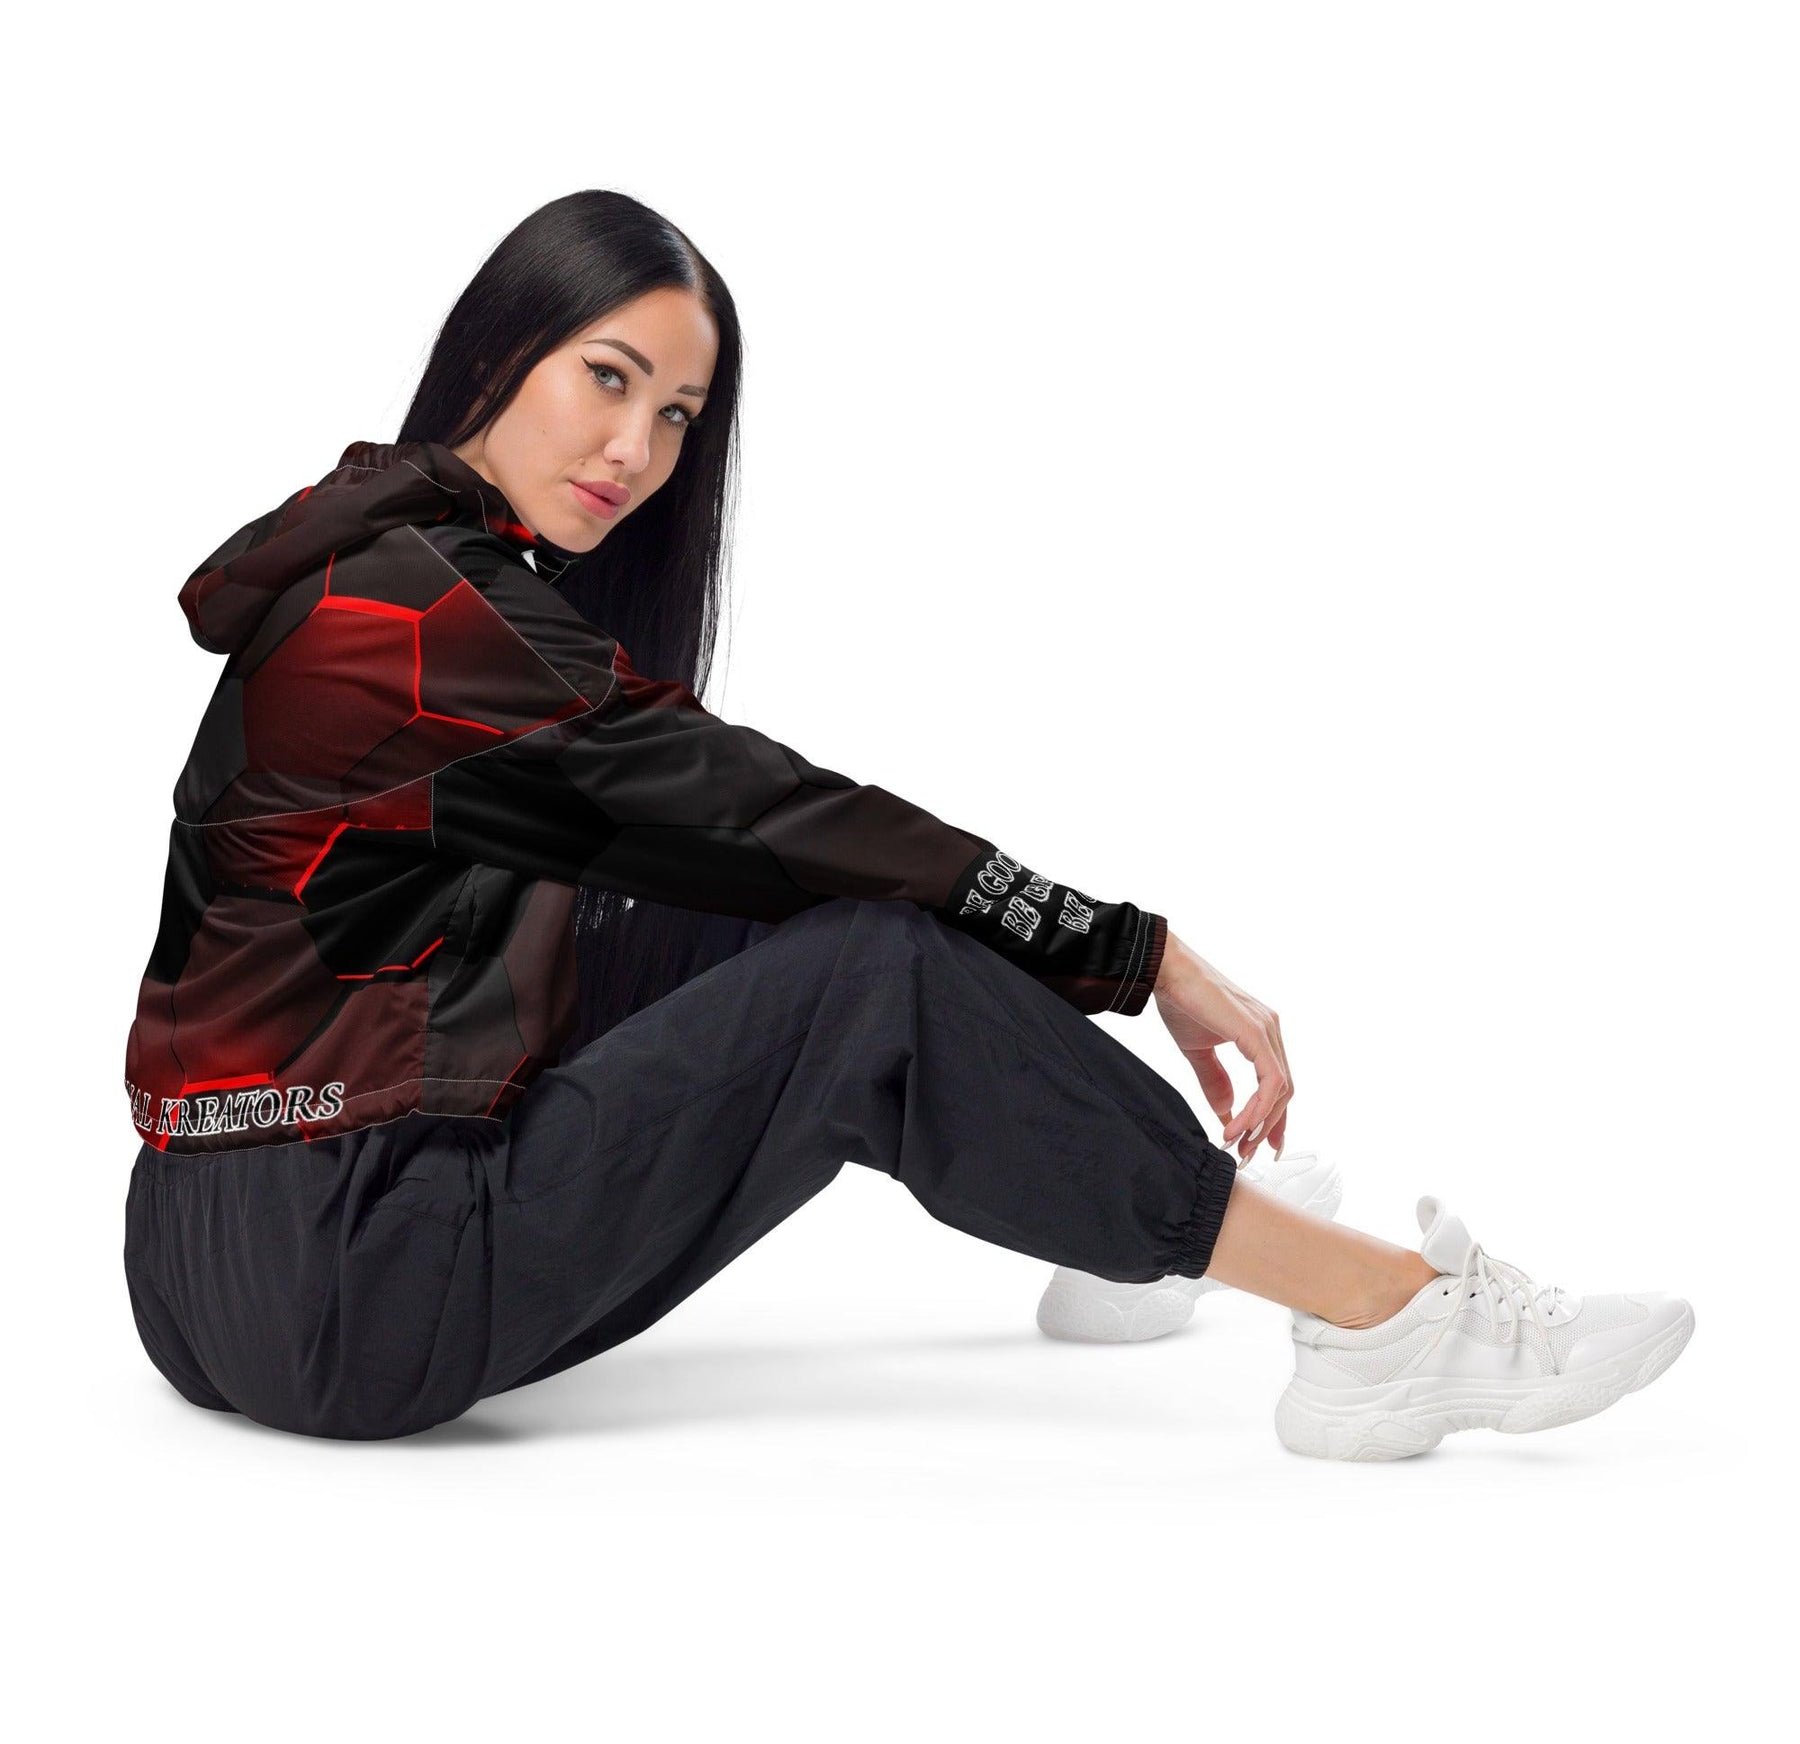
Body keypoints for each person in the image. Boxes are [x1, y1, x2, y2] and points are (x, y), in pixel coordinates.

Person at [121, 190, 1693, 1459]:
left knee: (765, 904)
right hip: (357, 1286)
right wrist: (1137, 954)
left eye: (678, 415)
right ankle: (1388, 1322)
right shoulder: (428, 618)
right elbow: (773, 810)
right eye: (608, 377)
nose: (637, 453)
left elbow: (744, 851)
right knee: (871, 968)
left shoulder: (368, 560)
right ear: (499, 350)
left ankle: (1113, 1215)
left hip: (195, 1261)